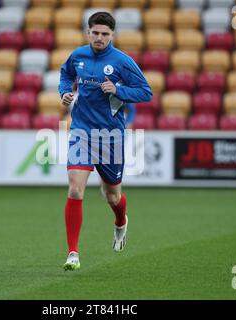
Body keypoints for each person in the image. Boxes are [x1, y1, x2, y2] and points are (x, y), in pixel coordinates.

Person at [58, 12, 152, 271]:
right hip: (81, 132)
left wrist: (118, 90)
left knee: (112, 195)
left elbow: (146, 92)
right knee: (75, 189)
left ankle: (121, 222)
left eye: (105, 34)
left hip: (111, 137)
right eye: (95, 33)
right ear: (88, 32)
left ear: (112, 35)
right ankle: (73, 253)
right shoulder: (78, 56)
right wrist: (65, 92)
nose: (99, 38)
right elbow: (65, 75)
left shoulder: (122, 61)